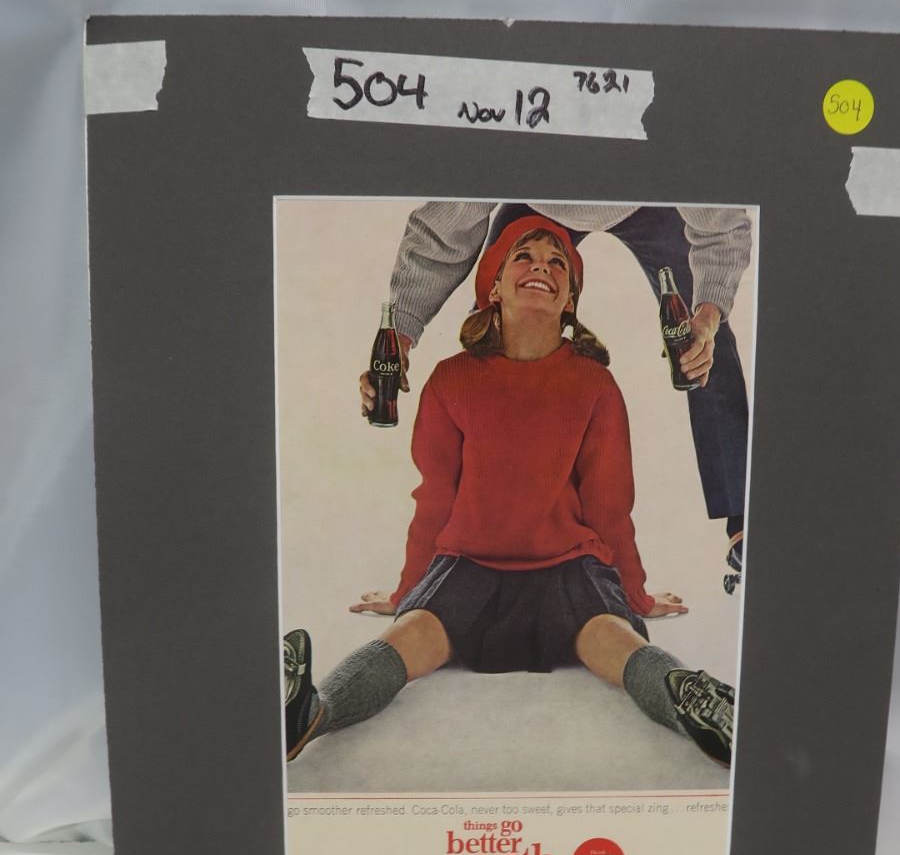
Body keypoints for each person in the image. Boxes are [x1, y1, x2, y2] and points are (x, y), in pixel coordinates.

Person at [286, 214, 735, 770]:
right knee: (408, 637)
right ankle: (311, 712)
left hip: (570, 570)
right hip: (469, 569)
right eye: (523, 256)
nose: (541, 266)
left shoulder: (595, 383)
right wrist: (408, 593)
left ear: (570, 300)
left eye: (558, 263)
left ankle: (695, 700)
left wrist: (635, 597)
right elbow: (434, 501)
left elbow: (611, 507)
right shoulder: (450, 379)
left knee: (619, 642)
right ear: (493, 287)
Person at [363, 200, 751, 591]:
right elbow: (442, 231)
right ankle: (478, 535)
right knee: (491, 339)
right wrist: (399, 338)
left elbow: (721, 226)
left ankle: (744, 521)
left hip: (648, 203)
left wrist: (709, 313)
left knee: (704, 344)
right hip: (540, 204)